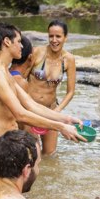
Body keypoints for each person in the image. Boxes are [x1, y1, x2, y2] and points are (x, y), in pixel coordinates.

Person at [0, 22, 83, 152]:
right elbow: (20, 114)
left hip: (9, 141)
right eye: (18, 41)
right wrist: (61, 127)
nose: (22, 46)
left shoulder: (5, 72)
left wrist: (66, 119)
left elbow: (31, 104)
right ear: (7, 42)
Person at [26, 20, 77, 155]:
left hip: (51, 111)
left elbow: (71, 92)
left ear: (65, 37)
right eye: (51, 36)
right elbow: (20, 78)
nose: (54, 40)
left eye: (58, 36)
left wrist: (57, 111)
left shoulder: (69, 59)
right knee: (32, 153)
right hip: (30, 110)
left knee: (50, 155)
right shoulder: (36, 52)